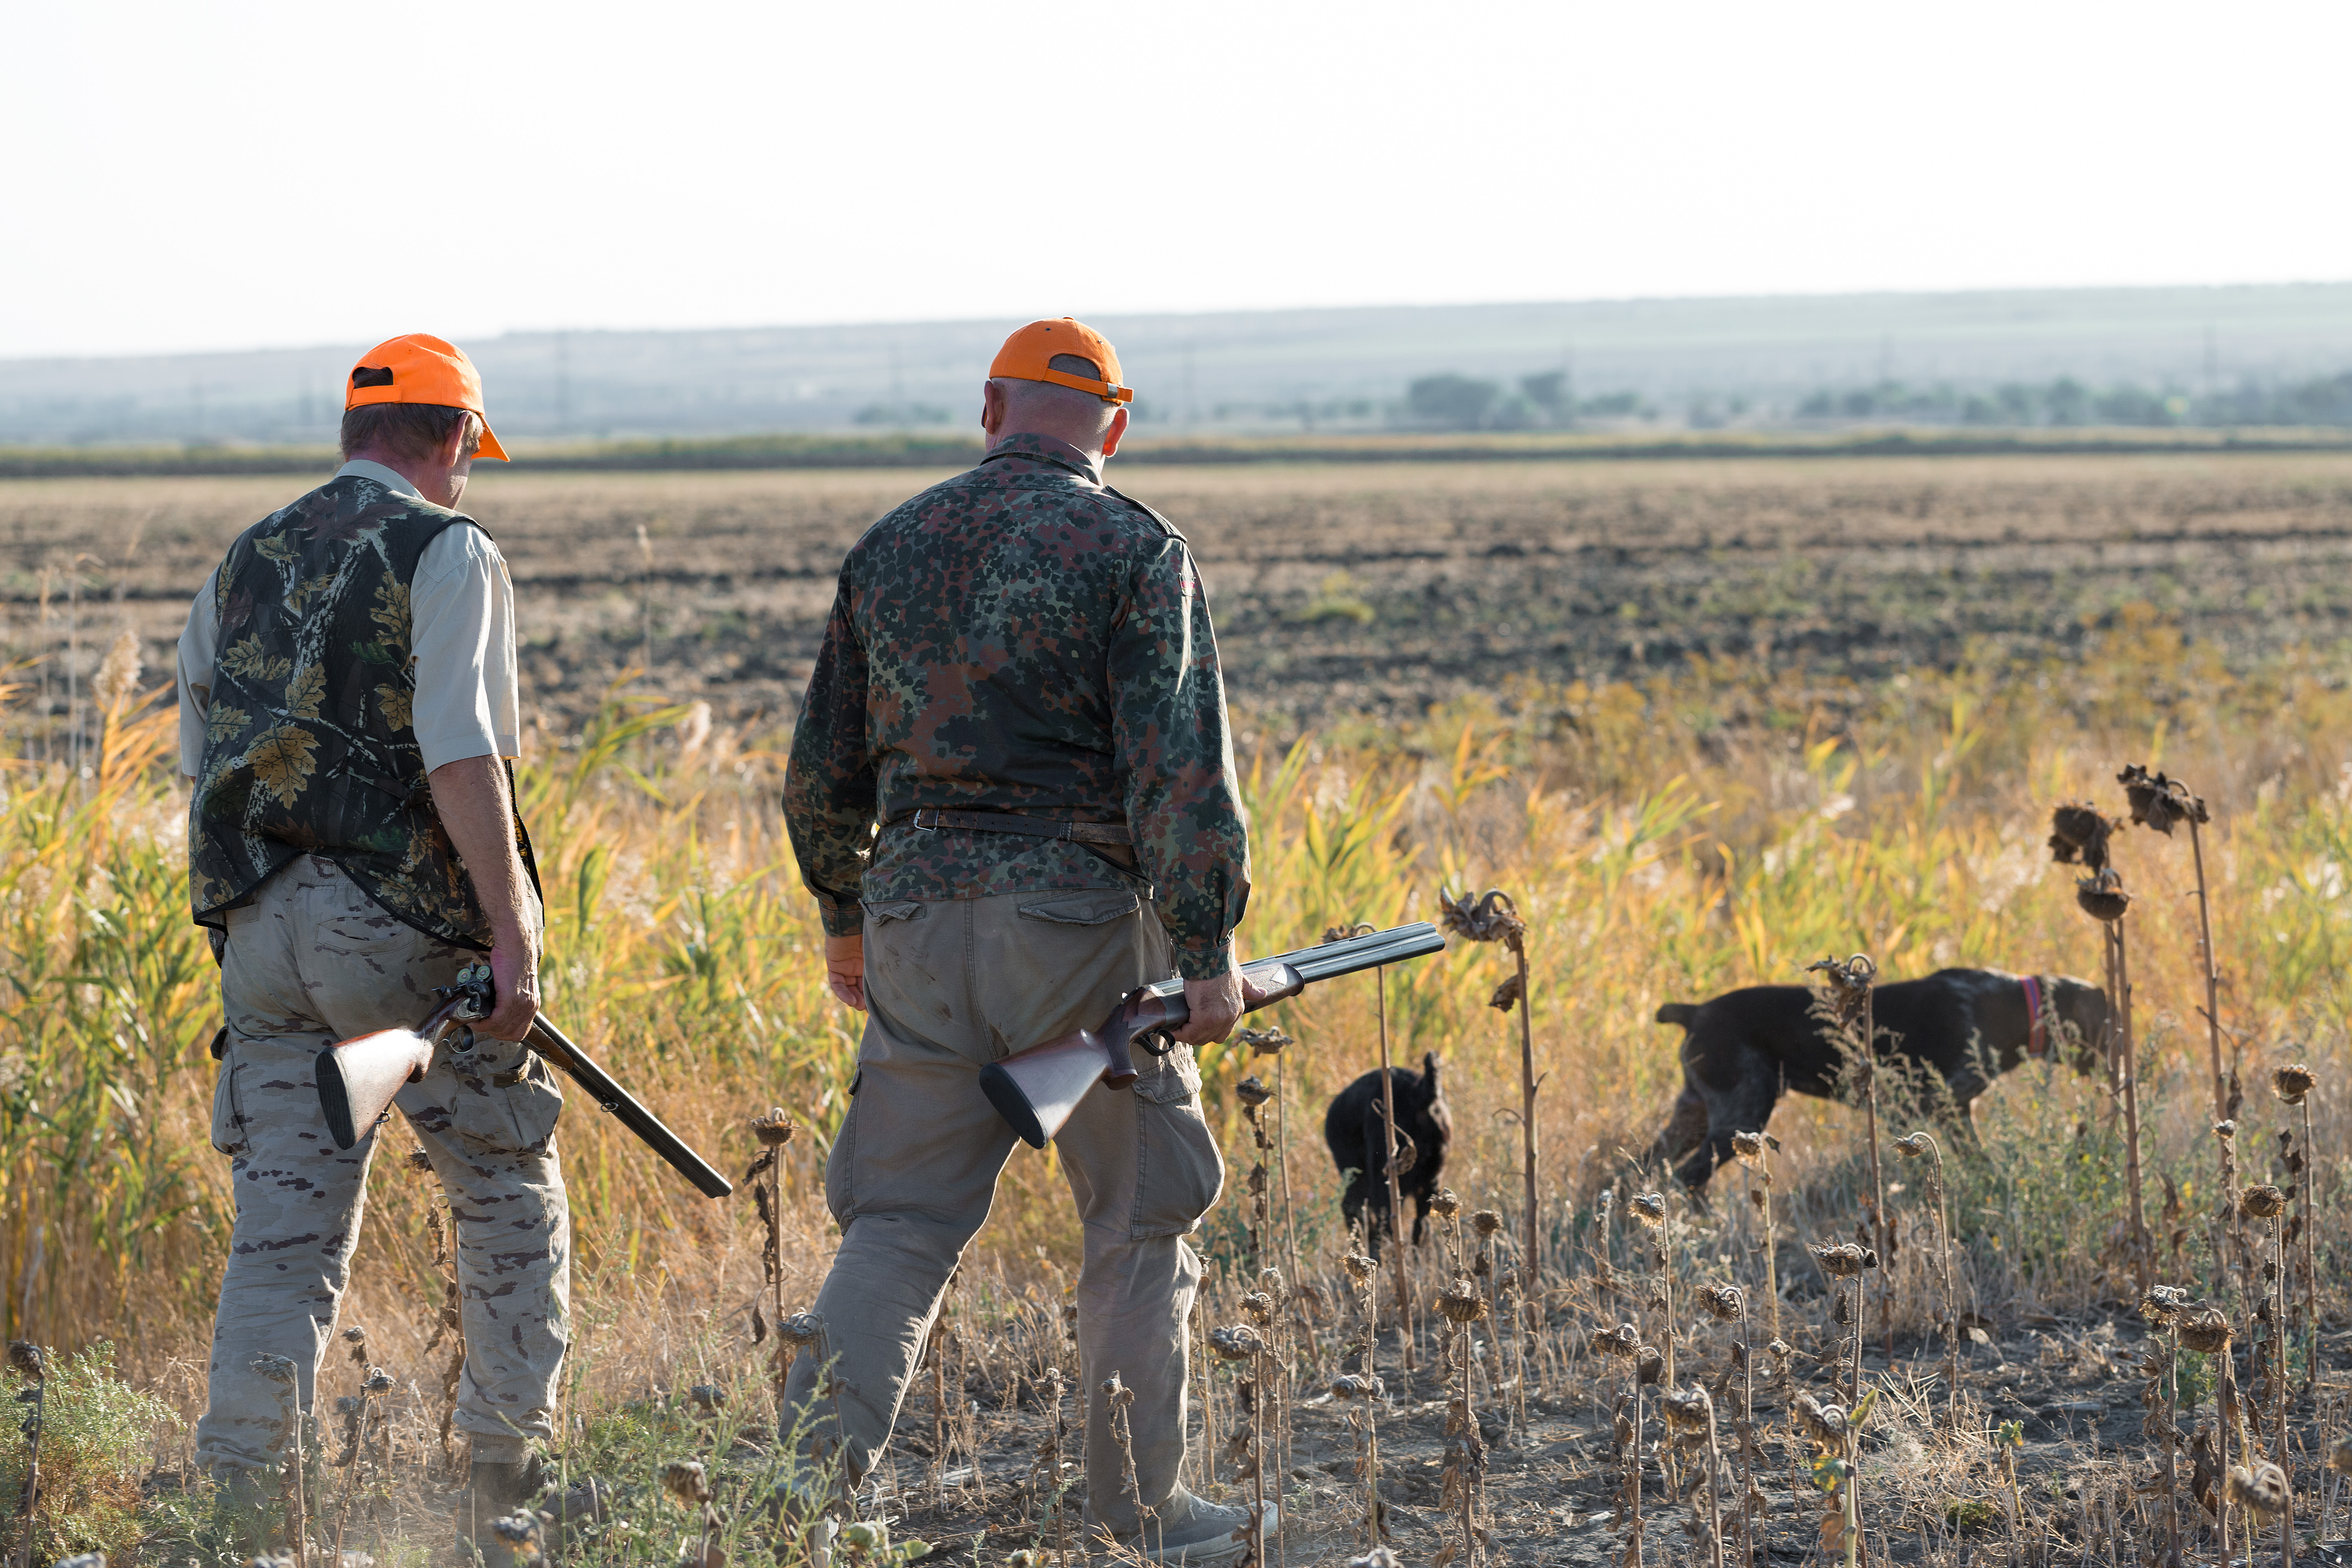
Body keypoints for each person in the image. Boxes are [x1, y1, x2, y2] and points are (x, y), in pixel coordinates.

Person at [781, 318, 1261, 1563]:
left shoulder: (889, 546)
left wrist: (847, 923)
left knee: (896, 1220)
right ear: (1116, 421)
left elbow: (820, 775)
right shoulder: (1137, 548)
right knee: (1139, 1219)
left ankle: (786, 1504)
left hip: (916, 919)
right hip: (1079, 927)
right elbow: (1180, 771)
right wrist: (1205, 954)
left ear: (990, 409)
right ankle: (1145, 1518)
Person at [176, 333, 566, 1547]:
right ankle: (506, 1478)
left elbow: (200, 756)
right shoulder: (448, 550)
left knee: (285, 1224)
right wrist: (512, 935)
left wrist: (242, 931)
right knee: (504, 1178)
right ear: (453, 438)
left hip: (262, 930)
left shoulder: (247, 558)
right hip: (401, 935)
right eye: (469, 455)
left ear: (358, 433)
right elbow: (463, 752)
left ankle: (241, 1504)